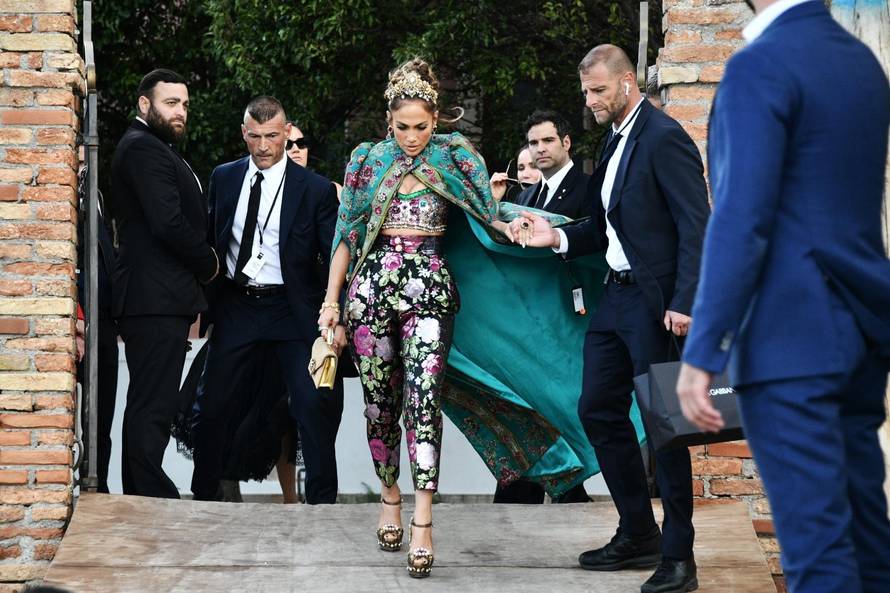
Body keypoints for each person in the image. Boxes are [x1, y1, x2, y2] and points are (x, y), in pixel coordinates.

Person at [676, 1, 890, 592]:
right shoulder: (860, 63)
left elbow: (742, 217)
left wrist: (703, 348)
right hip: (864, 331)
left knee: (815, 554)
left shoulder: (760, 66)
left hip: (789, 339)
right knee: (868, 541)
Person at [511, 44, 709, 593]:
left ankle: (679, 557)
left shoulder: (664, 138)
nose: (591, 101)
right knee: (598, 408)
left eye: (598, 90)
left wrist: (686, 299)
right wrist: (556, 236)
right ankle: (638, 531)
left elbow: (697, 224)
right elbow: (602, 226)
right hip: (615, 300)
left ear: (626, 83)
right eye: (586, 93)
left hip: (655, 303)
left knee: (666, 429)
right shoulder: (614, 139)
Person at [318, 58, 516, 578]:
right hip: (371, 293)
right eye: (402, 127)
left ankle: (424, 521)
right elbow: (346, 236)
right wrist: (331, 304)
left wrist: (509, 222)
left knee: (424, 401)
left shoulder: (454, 157)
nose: (411, 137)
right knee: (379, 405)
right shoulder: (366, 160)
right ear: (389, 121)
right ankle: (389, 497)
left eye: (421, 127)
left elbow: (486, 216)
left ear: (435, 121)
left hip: (429, 287)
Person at [190, 95, 344, 505]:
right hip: (238, 305)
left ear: (286, 132)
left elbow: (333, 255)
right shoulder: (223, 177)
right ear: (244, 133)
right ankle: (203, 496)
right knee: (213, 405)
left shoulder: (314, 189)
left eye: (272, 137)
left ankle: (324, 504)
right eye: (254, 136)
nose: (263, 146)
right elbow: (210, 240)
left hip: (293, 310)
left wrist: (334, 313)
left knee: (312, 404)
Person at [110, 68, 219, 498]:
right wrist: (209, 262)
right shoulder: (143, 149)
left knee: (149, 401)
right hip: (152, 299)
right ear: (145, 104)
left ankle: (143, 491)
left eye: (185, 105)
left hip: (157, 298)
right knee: (152, 404)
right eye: (171, 103)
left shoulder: (154, 147)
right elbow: (167, 222)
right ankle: (152, 495)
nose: (180, 112)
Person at [76, 167, 118, 494]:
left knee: (100, 422)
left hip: (103, 324)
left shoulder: (96, 195)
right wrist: (75, 315)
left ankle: (97, 488)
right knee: (70, 419)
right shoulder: (61, 194)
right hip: (73, 324)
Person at [511, 110, 591, 220]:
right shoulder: (523, 197)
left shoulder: (591, 187)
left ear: (566, 143)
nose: (540, 149)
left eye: (548, 140)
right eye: (533, 143)